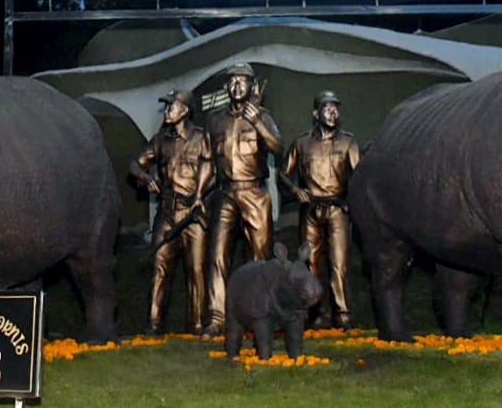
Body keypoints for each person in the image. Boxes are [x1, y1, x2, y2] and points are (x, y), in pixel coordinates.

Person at [203, 63, 282, 337]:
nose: (238, 86)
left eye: (243, 81)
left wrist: (257, 122)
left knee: (261, 258)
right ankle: (216, 318)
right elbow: (209, 162)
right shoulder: (214, 119)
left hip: (255, 193)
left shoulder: (262, 115)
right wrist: (198, 195)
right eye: (233, 81)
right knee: (217, 256)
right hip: (224, 193)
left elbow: (277, 146)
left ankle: (262, 315)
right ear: (227, 87)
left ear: (252, 86)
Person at [129, 89, 214, 335]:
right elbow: (134, 165)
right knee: (159, 267)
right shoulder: (160, 140)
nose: (167, 110)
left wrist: (199, 195)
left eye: (171, 105)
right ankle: (154, 325)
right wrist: (145, 178)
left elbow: (213, 170)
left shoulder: (201, 138)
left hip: (193, 214)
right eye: (166, 106)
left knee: (196, 270)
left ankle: (196, 324)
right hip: (166, 212)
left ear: (185, 110)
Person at [280, 90, 362, 330]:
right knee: (311, 264)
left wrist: (350, 203)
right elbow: (282, 173)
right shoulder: (302, 142)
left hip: (337, 209)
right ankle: (318, 313)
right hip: (310, 210)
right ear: (316, 113)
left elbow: (360, 177)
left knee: (339, 263)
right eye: (327, 108)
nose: (333, 113)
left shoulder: (348, 142)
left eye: (336, 108)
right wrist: (295, 190)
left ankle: (343, 315)